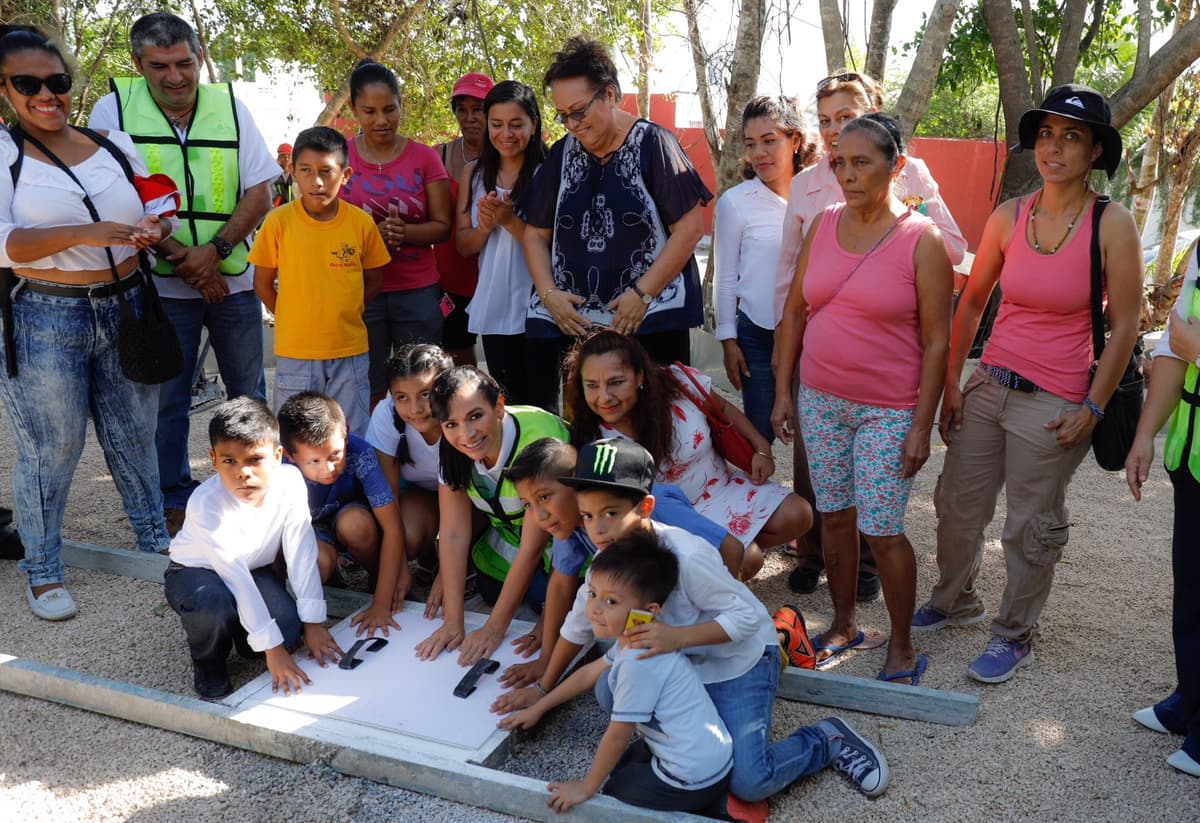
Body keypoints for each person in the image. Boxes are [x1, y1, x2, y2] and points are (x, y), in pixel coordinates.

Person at [496, 438, 889, 803]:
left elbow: (746, 619)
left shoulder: (686, 555)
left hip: (737, 662)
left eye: (611, 513)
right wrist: (543, 692)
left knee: (750, 781)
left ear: (645, 507)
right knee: (609, 689)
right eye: (587, 515)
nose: (598, 528)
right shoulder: (607, 561)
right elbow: (579, 625)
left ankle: (827, 739)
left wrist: (676, 638)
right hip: (683, 666)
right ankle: (678, 739)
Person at [915, 85, 1141, 684]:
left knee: (1030, 525)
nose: (1054, 147)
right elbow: (972, 304)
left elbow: (1125, 325)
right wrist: (954, 383)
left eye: (1071, 137)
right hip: (991, 382)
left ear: (1095, 151)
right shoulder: (1010, 216)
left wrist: (1092, 407)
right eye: (1046, 134)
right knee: (956, 504)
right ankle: (954, 599)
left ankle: (1014, 634)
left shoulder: (1112, 223)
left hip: (1057, 397)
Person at [0, 25, 177, 619]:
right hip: (46, 313)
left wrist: (156, 228)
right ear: (5, 89)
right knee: (52, 448)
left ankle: (154, 538)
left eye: (56, 81)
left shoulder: (112, 144)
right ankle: (43, 569)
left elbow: (157, 205)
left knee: (134, 432)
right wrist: (83, 232)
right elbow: (3, 242)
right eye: (27, 84)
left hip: (127, 302)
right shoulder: (5, 154)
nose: (46, 95)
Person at [770, 114, 953, 684]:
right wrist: (783, 391)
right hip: (821, 399)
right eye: (839, 163)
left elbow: (937, 341)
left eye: (861, 163)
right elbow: (795, 310)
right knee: (834, 517)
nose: (846, 174)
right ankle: (845, 624)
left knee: (882, 528)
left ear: (897, 167)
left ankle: (901, 644)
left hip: (888, 411)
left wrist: (921, 426)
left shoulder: (922, 240)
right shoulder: (823, 223)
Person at [89, 12, 278, 536]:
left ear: (199, 57)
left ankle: (259, 492)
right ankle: (173, 498)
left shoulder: (232, 107)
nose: (175, 77)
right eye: (160, 66)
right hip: (160, 286)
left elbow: (260, 191)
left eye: (184, 63)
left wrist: (214, 252)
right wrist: (185, 260)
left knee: (248, 393)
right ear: (137, 64)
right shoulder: (113, 109)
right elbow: (112, 194)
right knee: (166, 398)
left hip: (232, 280)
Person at [518, 37, 711, 411]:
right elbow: (534, 235)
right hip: (576, 325)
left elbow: (689, 231)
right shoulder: (561, 154)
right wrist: (549, 294)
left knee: (658, 419)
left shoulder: (654, 144)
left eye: (578, 111)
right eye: (562, 115)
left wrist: (642, 295)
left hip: (650, 321)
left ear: (609, 94)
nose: (572, 125)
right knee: (584, 424)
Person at [500, 531, 733, 815]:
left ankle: (721, 807)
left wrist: (586, 788)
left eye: (611, 602)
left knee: (614, 791)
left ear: (648, 611)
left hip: (692, 778)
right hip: (708, 756)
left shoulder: (638, 662)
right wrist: (539, 706)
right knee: (624, 763)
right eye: (593, 594)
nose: (595, 609)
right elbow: (588, 674)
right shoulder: (636, 638)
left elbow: (617, 735)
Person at [496, 437, 743, 690]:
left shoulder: (659, 519)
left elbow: (732, 552)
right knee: (610, 686)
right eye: (528, 505)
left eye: (545, 497)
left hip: (711, 624)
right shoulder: (575, 528)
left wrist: (712, 606)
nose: (539, 515)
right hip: (659, 615)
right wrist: (545, 664)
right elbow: (565, 592)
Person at [566, 330, 811, 580]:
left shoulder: (678, 381)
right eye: (592, 385)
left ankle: (723, 558)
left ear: (639, 375)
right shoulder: (591, 438)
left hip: (722, 487)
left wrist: (761, 446)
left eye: (616, 382)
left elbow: (722, 407)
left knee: (800, 513)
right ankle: (708, 572)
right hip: (674, 519)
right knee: (749, 559)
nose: (604, 397)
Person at [164, 398, 343, 699]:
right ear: (213, 459)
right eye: (229, 461)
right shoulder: (206, 503)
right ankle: (209, 664)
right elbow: (235, 577)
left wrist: (313, 623)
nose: (243, 472)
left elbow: (301, 553)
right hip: (195, 572)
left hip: (252, 569)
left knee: (288, 628)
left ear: (277, 456)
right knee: (212, 604)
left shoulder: (290, 482)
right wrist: (273, 649)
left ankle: (246, 638)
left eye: (255, 459)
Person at [414, 366, 569, 666]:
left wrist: (494, 628)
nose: (466, 434)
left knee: (541, 597)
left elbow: (533, 545)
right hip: (513, 537)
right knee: (490, 589)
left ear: (498, 406)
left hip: (561, 541)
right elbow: (453, 533)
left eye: (475, 416)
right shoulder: (452, 449)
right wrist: (453, 622)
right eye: (451, 424)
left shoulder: (536, 442)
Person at [250, 125, 389, 435]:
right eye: (306, 170)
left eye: (327, 171)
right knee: (296, 436)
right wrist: (289, 316)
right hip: (296, 352)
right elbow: (262, 283)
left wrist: (346, 311)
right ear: (292, 171)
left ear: (346, 174)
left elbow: (374, 281)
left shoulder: (361, 224)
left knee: (350, 433)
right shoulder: (278, 222)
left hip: (349, 350)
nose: (316, 181)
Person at [1125, 239, 1200, 778]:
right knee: (1192, 590)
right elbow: (1176, 345)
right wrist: (1145, 435)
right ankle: (1190, 701)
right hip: (1192, 457)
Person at [338, 60, 451, 401]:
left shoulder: (425, 158)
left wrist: (406, 233)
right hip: (360, 289)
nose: (381, 120)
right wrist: (370, 235)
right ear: (353, 109)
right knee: (366, 385)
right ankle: (375, 439)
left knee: (424, 386)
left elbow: (443, 226)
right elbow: (326, 222)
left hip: (418, 292)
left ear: (401, 104)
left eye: (390, 109)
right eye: (369, 111)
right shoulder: (340, 156)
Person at [713, 95, 814, 441]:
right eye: (750, 143)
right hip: (757, 335)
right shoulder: (736, 203)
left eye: (769, 141)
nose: (759, 153)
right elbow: (726, 276)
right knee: (758, 436)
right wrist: (728, 340)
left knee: (813, 440)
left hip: (814, 335)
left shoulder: (819, 195)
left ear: (795, 140)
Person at [277, 392, 412, 638]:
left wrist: (381, 603)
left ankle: (378, 576)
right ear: (289, 455)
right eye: (314, 461)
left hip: (352, 516)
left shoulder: (360, 453)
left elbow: (392, 527)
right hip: (311, 530)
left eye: (335, 455)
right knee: (316, 566)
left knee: (356, 526)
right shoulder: (278, 470)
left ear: (346, 435)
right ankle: (330, 577)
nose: (328, 469)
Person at [456, 80, 548, 406]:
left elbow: (558, 248)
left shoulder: (549, 172)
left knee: (543, 404)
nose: (506, 134)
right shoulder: (474, 174)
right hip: (495, 306)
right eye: (497, 124)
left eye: (516, 124)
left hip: (541, 307)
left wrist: (509, 221)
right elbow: (464, 245)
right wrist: (484, 227)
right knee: (507, 406)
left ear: (534, 124)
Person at [365, 344, 455, 565]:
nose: (415, 409)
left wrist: (446, 577)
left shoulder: (460, 414)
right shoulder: (386, 414)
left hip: (470, 498)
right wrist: (399, 572)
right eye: (402, 397)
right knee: (407, 536)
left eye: (425, 394)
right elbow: (388, 498)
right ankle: (428, 556)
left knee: (462, 539)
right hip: (420, 495)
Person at [435, 71, 493, 367]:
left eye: (478, 109)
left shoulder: (511, 156)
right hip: (451, 277)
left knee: (502, 358)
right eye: (462, 109)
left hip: (495, 275)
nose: (469, 118)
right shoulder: (438, 156)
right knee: (457, 356)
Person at [272, 142, 293, 207]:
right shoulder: (273, 175)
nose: (286, 159)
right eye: (283, 156)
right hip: (278, 209)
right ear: (278, 158)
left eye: (289, 156)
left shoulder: (297, 173)